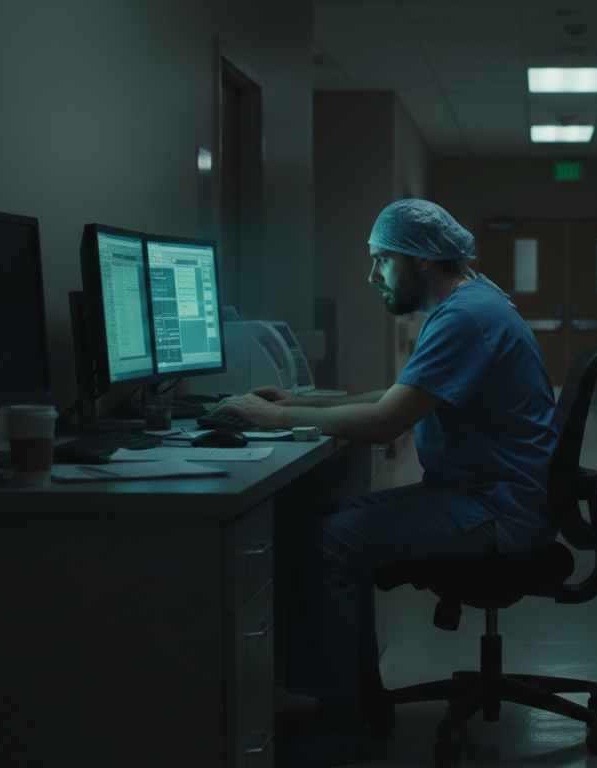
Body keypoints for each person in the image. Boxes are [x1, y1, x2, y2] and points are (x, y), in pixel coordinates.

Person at [214, 199, 558, 767]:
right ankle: (360, 702)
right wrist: (303, 403)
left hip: (496, 506)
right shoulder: (470, 303)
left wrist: (277, 418)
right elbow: (403, 394)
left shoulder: (465, 318)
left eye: (381, 260)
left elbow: (386, 423)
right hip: (486, 491)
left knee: (327, 545)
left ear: (421, 260)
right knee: (326, 521)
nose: (372, 275)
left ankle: (341, 720)